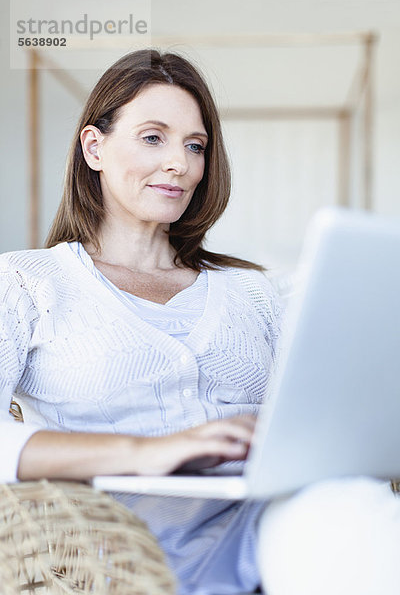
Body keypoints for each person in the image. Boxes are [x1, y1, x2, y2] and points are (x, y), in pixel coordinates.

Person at [2, 48, 399, 595]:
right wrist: (150, 452)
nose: (180, 164)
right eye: (153, 137)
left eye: (196, 146)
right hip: (112, 541)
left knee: (359, 519)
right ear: (94, 147)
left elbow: (325, 410)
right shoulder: (27, 282)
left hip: (273, 520)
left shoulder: (256, 291)